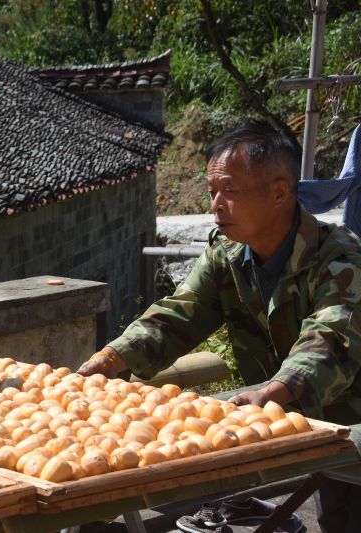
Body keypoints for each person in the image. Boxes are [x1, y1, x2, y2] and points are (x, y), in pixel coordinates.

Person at [77, 119, 361, 533]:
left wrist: (272, 393)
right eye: (212, 191)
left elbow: (330, 341)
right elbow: (180, 313)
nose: (216, 204)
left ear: (279, 192)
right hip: (293, 416)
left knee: (348, 512)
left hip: (349, 414)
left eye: (230, 190)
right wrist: (111, 359)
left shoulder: (341, 258)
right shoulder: (228, 254)